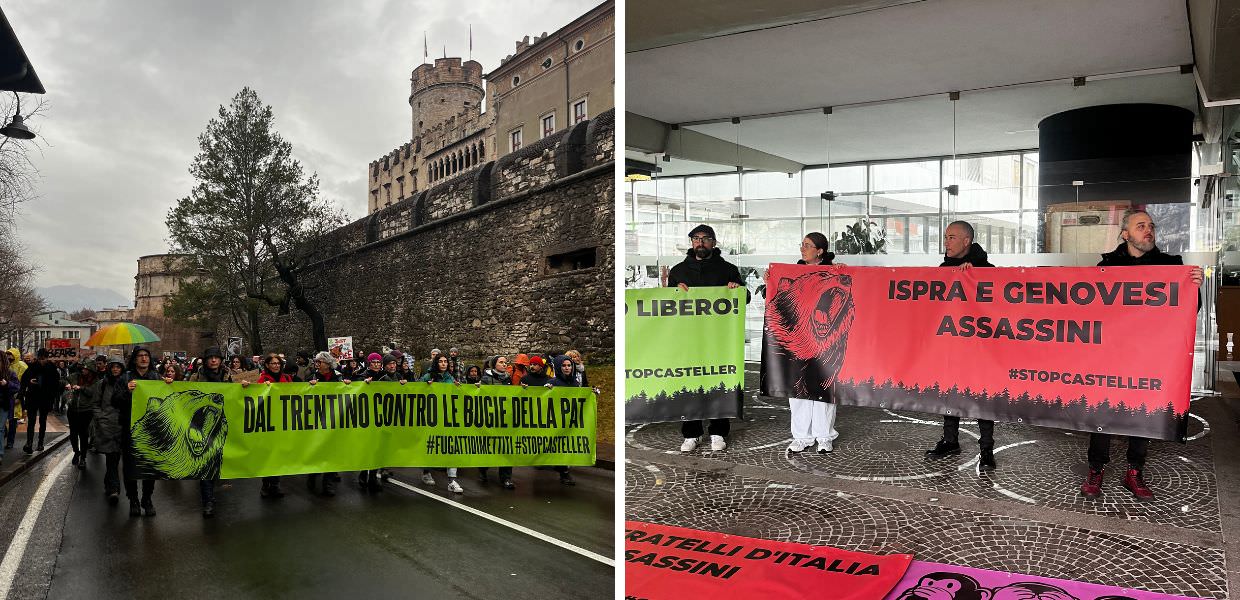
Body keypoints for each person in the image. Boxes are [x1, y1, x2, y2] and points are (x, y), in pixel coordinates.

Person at [1080, 210, 1204, 501]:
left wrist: (1194, 286)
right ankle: (1095, 469)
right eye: (1140, 226)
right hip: (1111, 355)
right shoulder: (1106, 267)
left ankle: (1134, 471)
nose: (1148, 230)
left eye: (1151, 226)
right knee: (1103, 410)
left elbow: (1189, 310)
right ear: (1125, 234)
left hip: (1150, 356)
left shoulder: (1171, 267)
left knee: (1143, 412)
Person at [667, 224, 749, 453]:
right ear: (691, 242)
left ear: (714, 243)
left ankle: (718, 431)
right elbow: (665, 303)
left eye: (705, 238)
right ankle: (691, 433)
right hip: (689, 338)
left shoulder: (728, 269)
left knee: (718, 383)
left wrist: (736, 288)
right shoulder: (678, 271)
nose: (700, 242)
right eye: (696, 238)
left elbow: (746, 297)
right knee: (689, 383)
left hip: (718, 339)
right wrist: (674, 291)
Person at [924, 221, 998, 471]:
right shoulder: (944, 269)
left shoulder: (987, 269)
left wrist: (974, 275)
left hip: (980, 348)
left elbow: (996, 306)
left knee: (983, 397)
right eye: (945, 237)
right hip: (952, 345)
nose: (946, 242)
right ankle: (950, 440)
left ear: (967, 241)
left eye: (952, 237)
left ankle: (986, 448)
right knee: (950, 391)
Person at [778, 232, 843, 454]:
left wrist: (843, 272)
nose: (802, 249)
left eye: (807, 245)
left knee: (823, 390)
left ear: (820, 251)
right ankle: (801, 436)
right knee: (797, 391)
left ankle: (824, 436)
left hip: (825, 343)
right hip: (800, 341)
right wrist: (771, 278)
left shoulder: (834, 272)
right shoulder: (792, 273)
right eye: (802, 245)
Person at [189, 347, 231, 517]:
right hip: (203, 426)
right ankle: (207, 501)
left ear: (221, 360)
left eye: (216, 358)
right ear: (205, 360)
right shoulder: (196, 377)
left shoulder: (229, 377)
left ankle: (210, 495)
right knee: (205, 464)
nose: (214, 360)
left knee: (217, 461)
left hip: (223, 425)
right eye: (210, 358)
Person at [122, 346, 162, 517]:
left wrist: (168, 384)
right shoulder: (126, 377)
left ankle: (147, 498)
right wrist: (126, 391)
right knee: (130, 466)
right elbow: (114, 400)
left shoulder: (156, 377)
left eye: (146, 355)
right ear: (135, 359)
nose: (144, 358)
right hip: (130, 429)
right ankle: (133, 500)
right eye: (140, 356)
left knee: (150, 466)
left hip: (151, 430)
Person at [306, 351, 350, 496]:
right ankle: (312, 475)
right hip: (316, 419)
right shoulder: (311, 376)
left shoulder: (338, 377)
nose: (317, 364)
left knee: (332, 451)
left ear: (327, 363)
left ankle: (328, 483)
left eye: (320, 361)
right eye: (316, 361)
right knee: (316, 449)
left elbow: (345, 393)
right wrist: (310, 387)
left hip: (334, 418)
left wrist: (347, 385)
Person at [419, 353, 463, 493]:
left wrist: (459, 387)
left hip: (448, 418)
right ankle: (426, 472)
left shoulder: (450, 378)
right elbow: (416, 391)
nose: (444, 364)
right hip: (432, 418)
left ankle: (452, 480)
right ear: (436, 363)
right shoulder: (428, 376)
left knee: (451, 446)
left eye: (445, 361)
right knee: (431, 445)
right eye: (441, 361)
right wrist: (425, 386)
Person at [92, 356, 129, 505]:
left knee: (115, 459)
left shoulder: (127, 384)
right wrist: (100, 419)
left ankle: (111, 485)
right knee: (111, 459)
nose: (115, 369)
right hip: (106, 426)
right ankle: (114, 488)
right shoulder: (102, 384)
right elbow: (95, 404)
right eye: (113, 366)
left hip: (122, 426)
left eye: (118, 367)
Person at [255, 352, 291, 499]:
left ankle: (275, 484)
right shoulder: (262, 379)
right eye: (273, 363)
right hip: (268, 421)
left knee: (278, 454)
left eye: (278, 363)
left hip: (283, 420)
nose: (276, 366)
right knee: (268, 454)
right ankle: (266, 484)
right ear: (267, 365)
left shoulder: (287, 378)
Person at [477, 355, 516, 489]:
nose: (504, 365)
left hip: (505, 419)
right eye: (501, 362)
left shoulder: (508, 379)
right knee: (489, 447)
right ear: (494, 365)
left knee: (506, 448)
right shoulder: (486, 378)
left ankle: (506, 478)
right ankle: (483, 469)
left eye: (506, 363)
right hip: (491, 419)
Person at [356, 352, 388, 492]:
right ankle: (363, 474)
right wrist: (363, 384)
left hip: (381, 417)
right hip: (367, 417)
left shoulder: (385, 377)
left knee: (378, 448)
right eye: (373, 362)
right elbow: (354, 388)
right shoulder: (362, 375)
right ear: (369, 364)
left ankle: (373, 477)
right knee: (368, 447)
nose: (376, 364)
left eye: (378, 362)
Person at [22, 348, 62, 454]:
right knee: (31, 421)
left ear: (47, 358)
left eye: (43, 359)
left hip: (45, 398)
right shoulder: (32, 366)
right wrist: (30, 382)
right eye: (40, 358)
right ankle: (29, 443)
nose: (41, 361)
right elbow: (24, 379)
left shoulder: (52, 368)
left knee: (42, 421)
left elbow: (56, 384)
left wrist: (51, 397)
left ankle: (40, 443)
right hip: (33, 397)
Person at [66, 355, 103, 469]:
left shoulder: (96, 380)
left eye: (86, 369)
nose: (83, 370)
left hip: (86, 410)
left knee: (83, 434)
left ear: (91, 370)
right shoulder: (75, 376)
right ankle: (76, 452)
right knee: (73, 434)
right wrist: (65, 384)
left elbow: (93, 392)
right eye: (82, 368)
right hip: (73, 409)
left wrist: (81, 388)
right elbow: (63, 379)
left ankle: (83, 457)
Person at [0, 351, 17, 466]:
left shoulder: (10, 373)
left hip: (3, 404)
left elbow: (17, 387)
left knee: (0, 429)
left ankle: (0, 454)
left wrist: (7, 384)